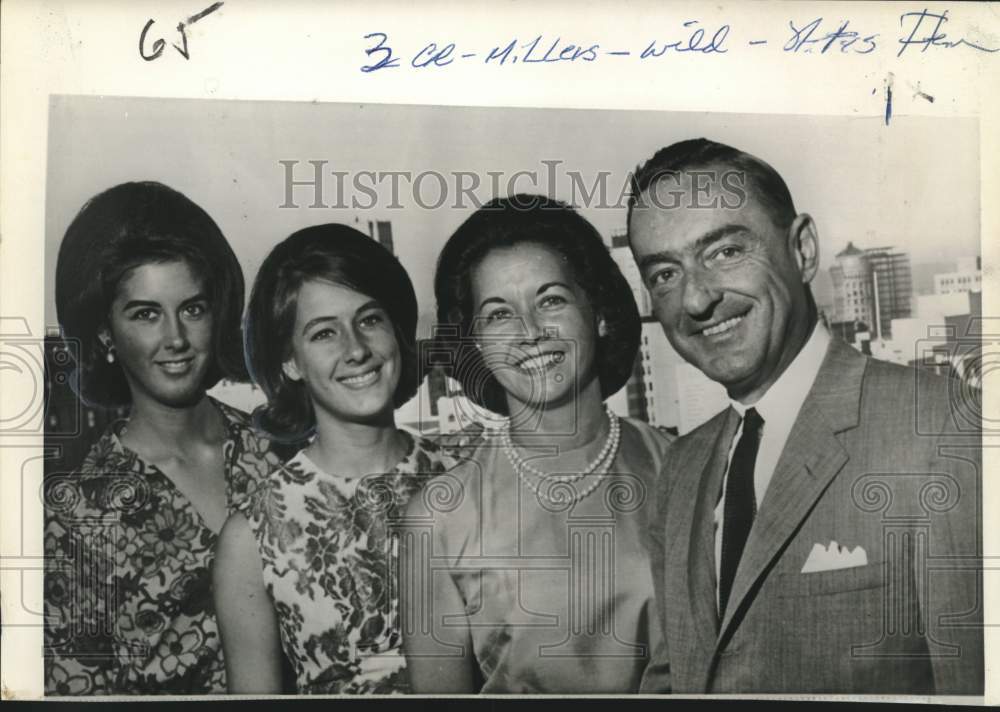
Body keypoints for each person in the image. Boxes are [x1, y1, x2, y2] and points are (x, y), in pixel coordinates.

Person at [627, 138, 983, 694]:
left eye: (724, 252)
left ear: (804, 250)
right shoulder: (680, 468)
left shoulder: (938, 429)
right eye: (665, 274)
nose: (695, 300)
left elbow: (976, 687)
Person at [402, 194, 674, 694]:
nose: (529, 332)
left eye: (551, 300)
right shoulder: (439, 518)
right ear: (477, 344)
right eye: (499, 314)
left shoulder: (681, 470)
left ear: (599, 312)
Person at [43, 181, 280, 694]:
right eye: (145, 313)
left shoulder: (277, 454)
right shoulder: (77, 520)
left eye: (192, 309)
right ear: (105, 332)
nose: (175, 337)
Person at [212, 224, 458, 694]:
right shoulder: (252, 537)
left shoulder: (469, 482)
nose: (356, 349)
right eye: (325, 333)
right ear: (290, 362)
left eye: (369, 320)